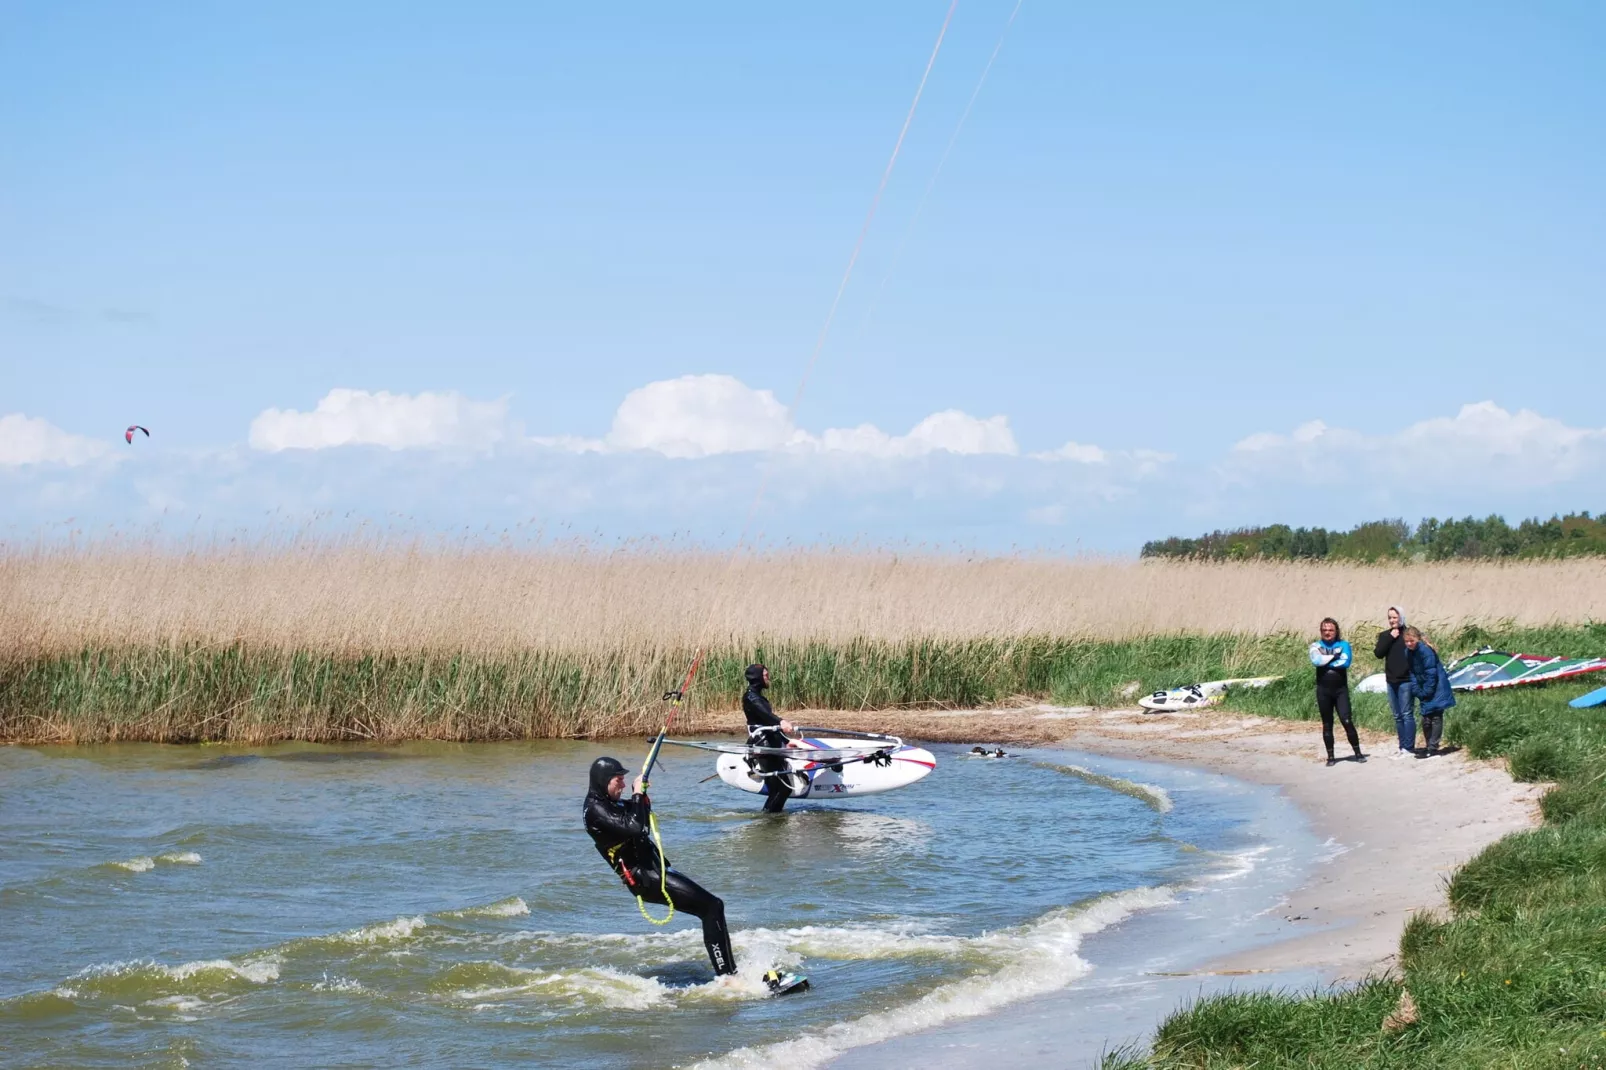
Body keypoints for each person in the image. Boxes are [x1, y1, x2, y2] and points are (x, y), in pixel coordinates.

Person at [582, 756, 737, 977]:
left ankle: (730, 974)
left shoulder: (609, 803)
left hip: (654, 868)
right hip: (645, 877)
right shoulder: (595, 810)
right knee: (712, 907)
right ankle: (729, 978)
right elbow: (635, 827)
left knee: (712, 908)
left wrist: (641, 795)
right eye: (619, 780)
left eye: (625, 780)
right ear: (603, 780)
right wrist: (636, 793)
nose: (624, 785)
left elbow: (640, 816)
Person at [743, 663, 798, 813]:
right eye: (766, 676)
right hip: (764, 747)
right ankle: (769, 821)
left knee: (778, 789)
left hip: (769, 745)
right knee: (782, 789)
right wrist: (781, 721)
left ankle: (770, 819)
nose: (769, 678)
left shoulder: (758, 697)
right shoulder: (750, 697)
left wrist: (787, 741)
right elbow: (766, 716)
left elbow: (768, 724)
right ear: (758, 678)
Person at [1311, 617, 1365, 766]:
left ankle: (1358, 753)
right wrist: (1334, 657)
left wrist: (1326, 660)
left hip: (1340, 691)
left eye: (1330, 630)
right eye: (1324, 630)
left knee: (1346, 721)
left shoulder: (1344, 645)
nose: (1327, 633)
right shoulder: (1315, 645)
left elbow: (1345, 662)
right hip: (1323, 691)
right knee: (1327, 724)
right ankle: (1331, 757)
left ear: (1336, 631)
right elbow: (1316, 661)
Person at [1403, 627, 1456, 757]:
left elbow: (1432, 673)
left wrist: (1427, 690)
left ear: (1417, 639)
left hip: (1437, 687)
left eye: (1411, 641)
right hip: (1423, 687)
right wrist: (1416, 689)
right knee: (1426, 718)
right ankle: (1428, 745)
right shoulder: (1408, 652)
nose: (1409, 643)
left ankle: (1433, 748)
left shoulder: (1426, 651)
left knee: (1436, 717)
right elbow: (1412, 672)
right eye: (1406, 641)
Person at [1373, 606, 1417, 758]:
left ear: (1401, 617)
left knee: (1407, 713)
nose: (1392, 620)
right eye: (1390, 618)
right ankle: (1402, 746)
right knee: (1397, 715)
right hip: (1391, 680)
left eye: (1395, 617)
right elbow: (1378, 653)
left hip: (1406, 680)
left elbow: (1416, 650)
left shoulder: (1408, 633)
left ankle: (1409, 748)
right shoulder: (1385, 635)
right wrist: (1390, 637)